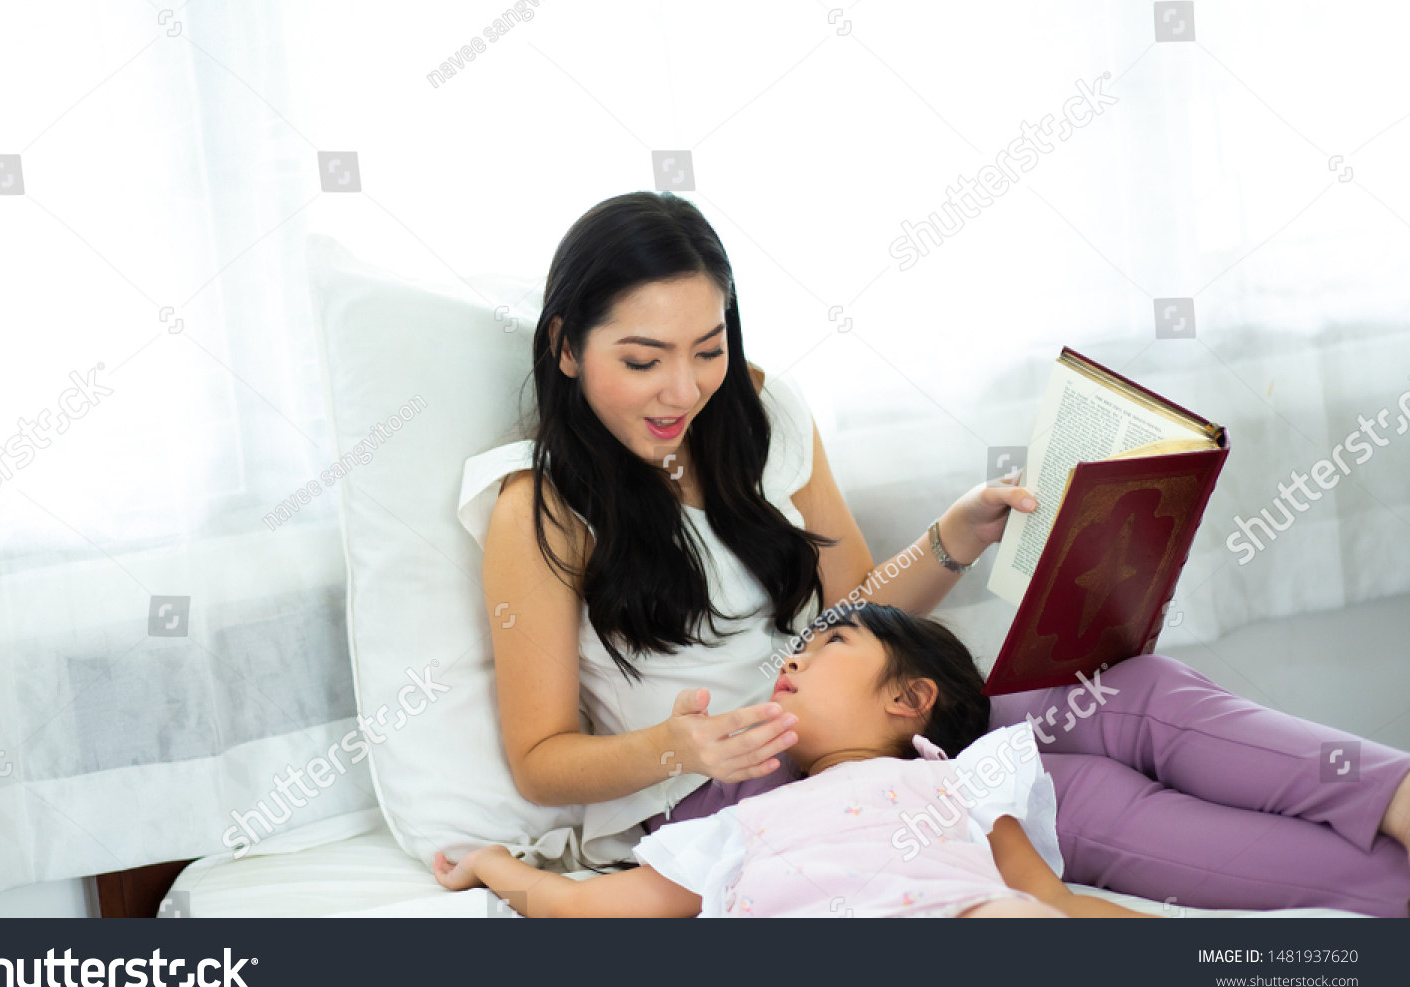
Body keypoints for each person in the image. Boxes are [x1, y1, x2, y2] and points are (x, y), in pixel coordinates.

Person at [459, 190, 1410, 916]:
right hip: (736, 787)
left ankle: (1399, 798)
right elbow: (541, 759)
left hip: (866, 721)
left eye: (707, 348)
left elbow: (850, 614)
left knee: (1139, 688)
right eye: (642, 360)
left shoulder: (759, 414)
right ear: (568, 348)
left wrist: (952, 540)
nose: (683, 389)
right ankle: (1382, 891)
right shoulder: (535, 509)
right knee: (1083, 802)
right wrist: (678, 743)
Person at [433, 605, 1150, 918]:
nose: (796, 656)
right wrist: (490, 862)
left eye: (831, 644)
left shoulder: (959, 779)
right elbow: (576, 906)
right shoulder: (738, 825)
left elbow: (1050, 900)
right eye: (800, 647)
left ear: (910, 697)